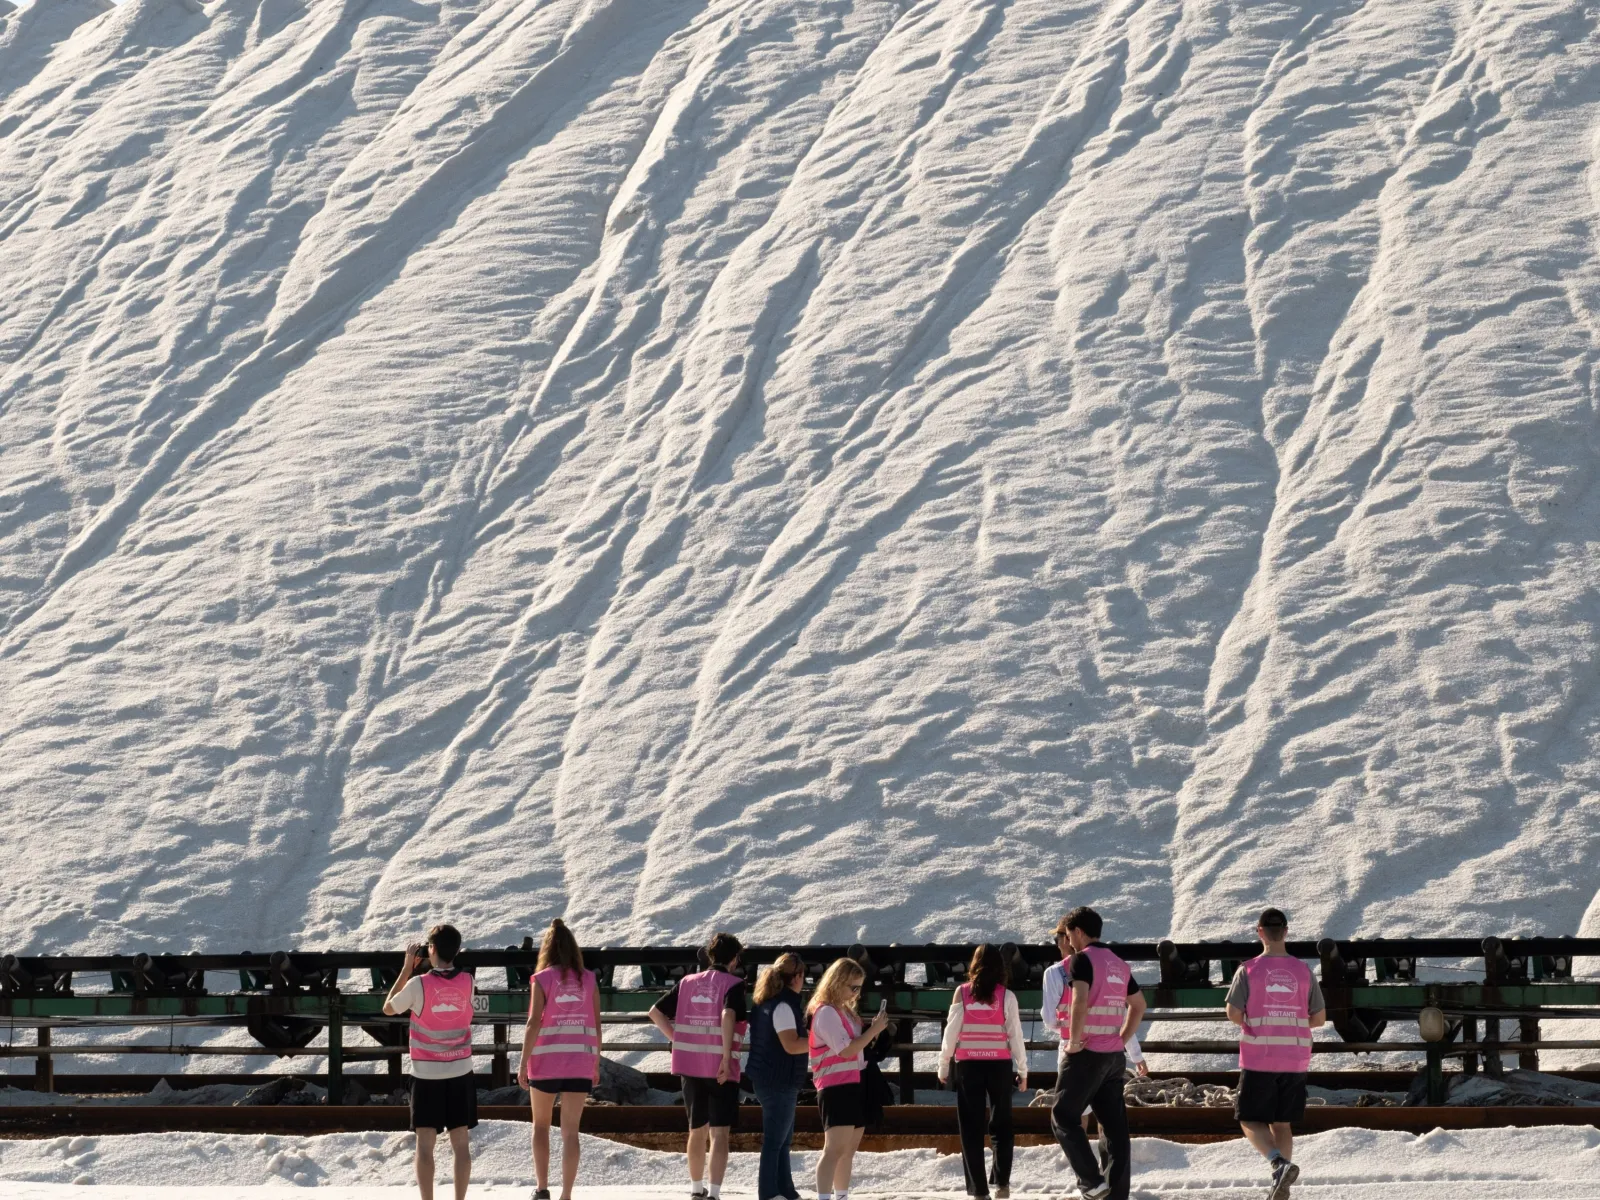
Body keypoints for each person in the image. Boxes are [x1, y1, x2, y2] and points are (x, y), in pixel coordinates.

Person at [1225, 908, 1327, 1200]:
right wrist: (1292, 1019)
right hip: (1295, 1059)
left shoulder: (1249, 969)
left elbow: (1233, 1013)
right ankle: (1281, 1186)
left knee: (1248, 1119)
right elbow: (1319, 1018)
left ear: (1260, 932)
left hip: (1260, 1058)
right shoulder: (1303, 971)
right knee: (1282, 1124)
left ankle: (1278, 1163)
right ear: (1286, 932)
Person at [1048, 907, 1146, 1200]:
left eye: (1068, 935)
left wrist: (1075, 1041)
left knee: (1063, 1116)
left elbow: (1079, 1001)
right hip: (1114, 1057)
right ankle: (1116, 1195)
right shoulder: (1119, 964)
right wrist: (1122, 1037)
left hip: (1086, 1052)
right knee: (1115, 1131)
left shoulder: (1081, 959)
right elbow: (1139, 1005)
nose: (1068, 941)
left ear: (1078, 931)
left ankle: (1091, 1182)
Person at [649, 933, 749, 1200]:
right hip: (720, 1068)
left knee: (696, 1130)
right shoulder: (734, 984)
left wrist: (678, 1039)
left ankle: (696, 1190)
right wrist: (726, 1058)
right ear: (735, 958)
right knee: (719, 1134)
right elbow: (728, 1015)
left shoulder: (687, 982)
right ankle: (715, 1193)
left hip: (689, 1065)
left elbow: (655, 1012)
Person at [383, 924, 476, 1200]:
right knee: (461, 1142)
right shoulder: (468, 981)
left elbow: (388, 1008)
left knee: (425, 1144)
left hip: (426, 1074)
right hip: (461, 1069)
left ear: (431, 950)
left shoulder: (418, 984)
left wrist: (406, 970)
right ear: (457, 951)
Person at [516, 919, 600, 1200]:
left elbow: (533, 1023)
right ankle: (567, 1194)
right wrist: (596, 1063)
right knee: (570, 1132)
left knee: (540, 1126)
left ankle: (541, 1189)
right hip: (579, 1062)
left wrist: (522, 1063)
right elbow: (596, 1023)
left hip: (545, 1063)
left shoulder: (541, 979)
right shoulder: (589, 979)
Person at [937, 944, 1027, 1200]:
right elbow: (1015, 1036)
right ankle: (1002, 1182)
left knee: (971, 1127)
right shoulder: (1006, 996)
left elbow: (950, 1033)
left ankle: (979, 1191)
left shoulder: (962, 993)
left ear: (973, 965)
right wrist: (1023, 1069)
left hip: (968, 1067)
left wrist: (944, 1065)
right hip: (999, 1066)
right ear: (1000, 967)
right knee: (1002, 1124)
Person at [807, 958, 890, 1200]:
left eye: (859, 988)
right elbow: (845, 1050)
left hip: (854, 1081)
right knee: (834, 1149)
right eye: (853, 987)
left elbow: (855, 1049)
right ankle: (825, 1196)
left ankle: (841, 1195)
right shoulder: (826, 1012)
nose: (856, 993)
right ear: (837, 982)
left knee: (848, 1149)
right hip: (836, 1086)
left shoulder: (844, 1010)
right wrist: (872, 1032)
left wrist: (872, 1035)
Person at [745, 953, 809, 1200]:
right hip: (778, 1079)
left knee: (783, 1140)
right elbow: (791, 1045)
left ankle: (786, 1190)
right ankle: (769, 1193)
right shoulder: (783, 1005)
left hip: (772, 1077)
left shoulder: (768, 1001)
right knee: (775, 1141)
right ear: (797, 977)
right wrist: (820, 1041)